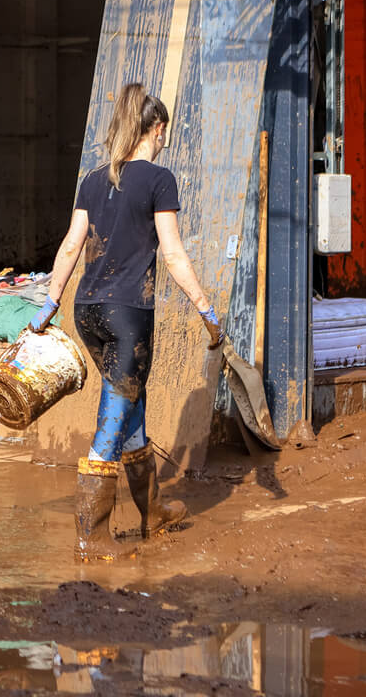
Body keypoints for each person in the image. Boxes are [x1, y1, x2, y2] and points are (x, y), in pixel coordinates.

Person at [28, 83, 223, 562]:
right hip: (128, 316)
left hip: (87, 312)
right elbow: (173, 253)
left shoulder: (95, 179)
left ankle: (151, 511)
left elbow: (71, 246)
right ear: (155, 129)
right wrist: (205, 308)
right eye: (164, 135)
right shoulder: (159, 179)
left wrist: (48, 305)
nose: (164, 143)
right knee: (111, 423)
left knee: (131, 406)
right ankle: (90, 536)